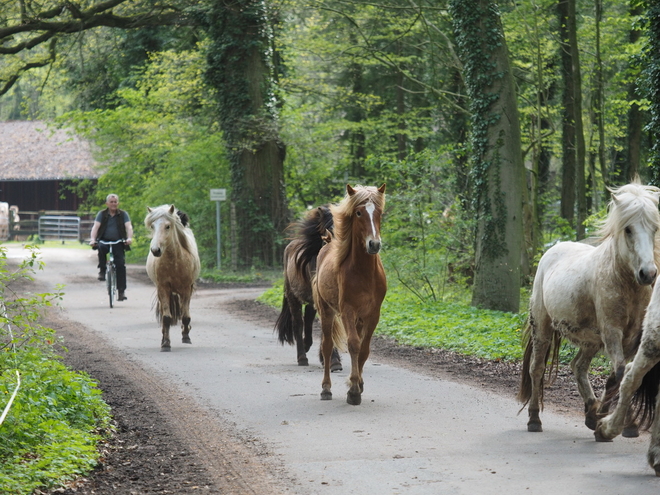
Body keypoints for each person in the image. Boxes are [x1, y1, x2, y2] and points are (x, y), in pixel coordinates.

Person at [89, 194, 134, 301]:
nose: (113, 204)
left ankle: (121, 292)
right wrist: (93, 239)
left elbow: (129, 226)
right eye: (111, 202)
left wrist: (129, 238)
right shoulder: (102, 214)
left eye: (115, 202)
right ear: (107, 203)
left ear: (118, 203)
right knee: (101, 248)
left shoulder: (123, 214)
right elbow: (95, 227)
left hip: (118, 242)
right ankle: (102, 271)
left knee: (120, 265)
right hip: (104, 240)